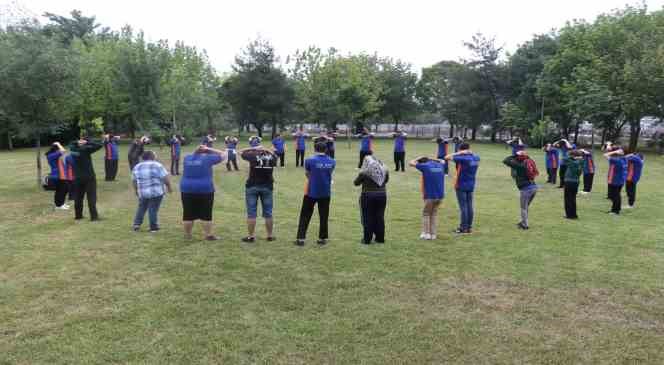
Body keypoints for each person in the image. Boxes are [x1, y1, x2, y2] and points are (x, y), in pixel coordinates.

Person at [180, 145, 226, 240]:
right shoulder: (208, 158)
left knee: (188, 213)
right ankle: (208, 235)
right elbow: (224, 154)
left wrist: (197, 150)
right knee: (206, 213)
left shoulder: (187, 158)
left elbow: (194, 155)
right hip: (205, 188)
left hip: (187, 188)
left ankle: (187, 235)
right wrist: (209, 149)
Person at [295, 141, 336, 246]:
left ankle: (300, 238)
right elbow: (329, 173)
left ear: (314, 149)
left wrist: (313, 179)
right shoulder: (332, 161)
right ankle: (322, 238)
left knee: (305, 215)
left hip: (311, 191)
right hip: (325, 192)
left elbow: (308, 173)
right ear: (326, 149)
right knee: (324, 215)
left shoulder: (309, 160)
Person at [240, 136, 277, 242]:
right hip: (267, 186)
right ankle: (269, 235)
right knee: (268, 213)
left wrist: (253, 149)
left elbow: (240, 152)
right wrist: (267, 149)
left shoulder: (251, 154)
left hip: (252, 186)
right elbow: (275, 156)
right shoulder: (271, 155)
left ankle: (251, 236)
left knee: (251, 213)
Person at [131, 151, 173, 232]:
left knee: (141, 208)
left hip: (142, 192)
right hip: (155, 192)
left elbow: (134, 181)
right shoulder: (157, 165)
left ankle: (136, 224)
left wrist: (136, 190)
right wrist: (169, 187)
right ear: (152, 156)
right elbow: (165, 178)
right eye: (155, 155)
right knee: (153, 209)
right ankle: (153, 227)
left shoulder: (137, 166)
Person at [353, 154, 389, 244]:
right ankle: (380, 238)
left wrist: (361, 172)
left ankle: (367, 239)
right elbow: (386, 180)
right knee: (379, 217)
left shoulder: (364, 172)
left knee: (367, 217)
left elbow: (356, 183)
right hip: (382, 195)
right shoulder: (384, 169)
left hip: (368, 195)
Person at [445, 143, 480, 234]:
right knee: (469, 206)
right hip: (471, 184)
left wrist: (458, 153)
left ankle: (463, 228)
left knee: (463, 207)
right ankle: (469, 227)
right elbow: (475, 155)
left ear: (461, 150)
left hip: (461, 184)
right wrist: (468, 152)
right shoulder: (476, 157)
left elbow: (447, 157)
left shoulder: (462, 158)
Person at [409, 156, 445, 240]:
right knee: (434, 214)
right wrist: (432, 159)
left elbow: (411, 163)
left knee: (426, 214)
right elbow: (442, 161)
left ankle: (426, 233)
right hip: (440, 195)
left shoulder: (425, 166)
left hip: (430, 195)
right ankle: (433, 234)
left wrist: (418, 157)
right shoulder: (440, 165)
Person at [69, 138, 104, 221]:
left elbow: (71, 143)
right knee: (91, 197)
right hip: (89, 176)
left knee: (78, 197)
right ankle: (94, 217)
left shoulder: (73, 149)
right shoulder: (86, 149)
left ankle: (78, 216)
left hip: (77, 177)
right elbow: (99, 145)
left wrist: (77, 142)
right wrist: (88, 141)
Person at [503, 151, 538, 230]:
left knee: (523, 208)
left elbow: (506, 160)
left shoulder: (519, 165)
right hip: (534, 187)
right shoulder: (529, 162)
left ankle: (525, 225)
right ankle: (523, 221)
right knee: (526, 207)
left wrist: (514, 155)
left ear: (519, 157)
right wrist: (521, 155)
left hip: (526, 189)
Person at [46, 142, 70, 210]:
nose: (59, 150)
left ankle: (61, 203)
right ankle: (59, 205)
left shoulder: (54, 154)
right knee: (61, 190)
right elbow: (63, 151)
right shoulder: (52, 155)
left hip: (60, 175)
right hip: (57, 175)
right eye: (58, 149)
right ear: (56, 149)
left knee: (64, 189)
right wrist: (59, 144)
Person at [604, 145, 627, 215]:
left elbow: (605, 155)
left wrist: (615, 151)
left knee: (614, 196)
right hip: (620, 180)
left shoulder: (616, 160)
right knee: (617, 195)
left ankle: (615, 211)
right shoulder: (624, 160)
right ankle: (617, 209)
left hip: (615, 181)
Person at [562, 150, 584, 219]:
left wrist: (572, 157)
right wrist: (578, 157)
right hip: (576, 182)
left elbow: (564, 158)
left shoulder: (571, 162)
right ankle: (574, 214)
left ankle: (569, 215)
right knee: (573, 198)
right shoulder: (581, 162)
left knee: (568, 199)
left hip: (569, 182)